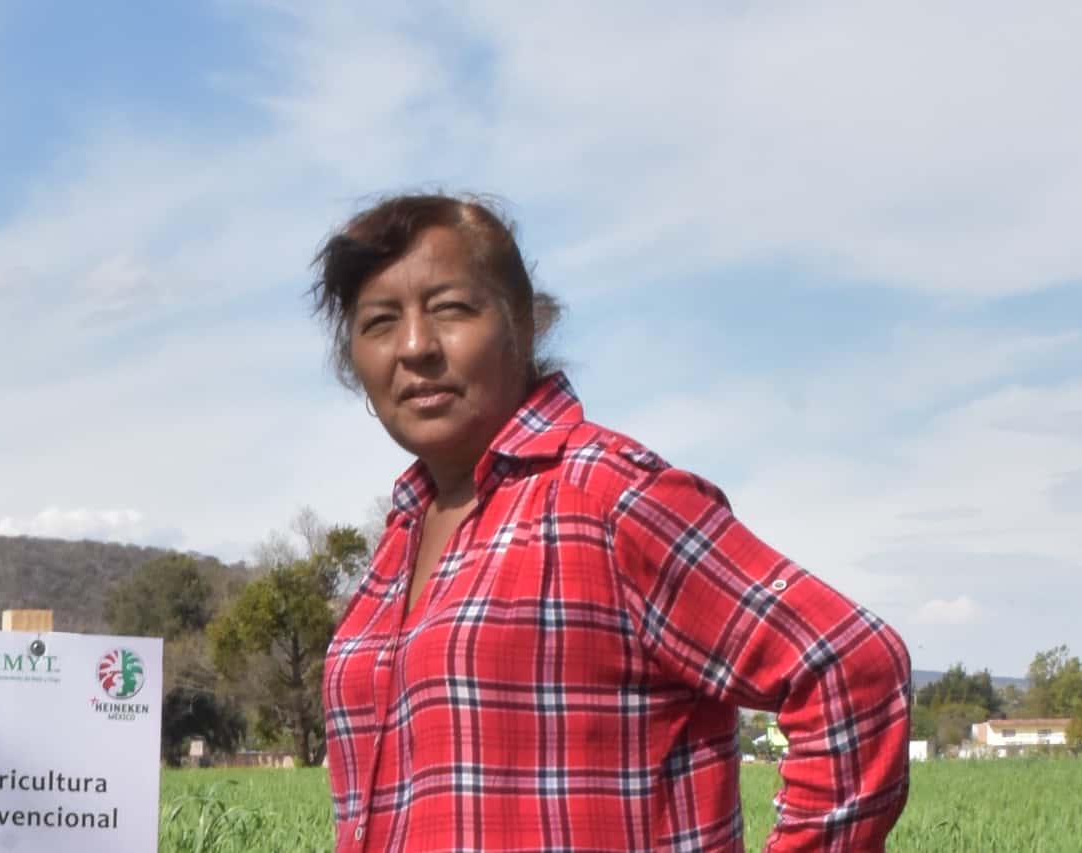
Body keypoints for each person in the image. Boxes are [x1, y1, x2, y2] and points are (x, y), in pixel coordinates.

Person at [314, 193, 912, 852]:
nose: (416, 346)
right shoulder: (399, 540)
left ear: (523, 322)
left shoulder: (604, 494)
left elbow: (849, 667)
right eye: (379, 322)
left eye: (451, 308)